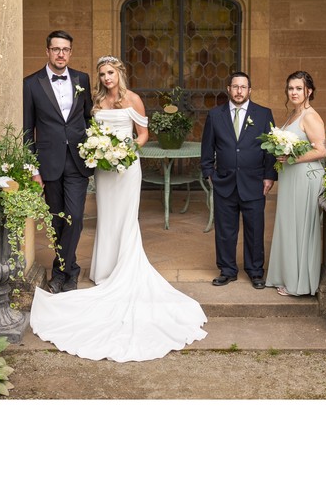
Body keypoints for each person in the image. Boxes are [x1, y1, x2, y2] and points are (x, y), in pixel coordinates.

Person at [30, 56, 207, 361]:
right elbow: (87, 130)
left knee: (125, 218)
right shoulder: (96, 99)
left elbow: (143, 135)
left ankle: (123, 268)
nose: (106, 77)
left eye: (110, 72)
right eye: (102, 73)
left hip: (125, 168)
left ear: (119, 73)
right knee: (106, 217)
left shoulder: (133, 99)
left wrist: (123, 152)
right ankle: (105, 268)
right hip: (103, 168)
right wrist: (101, 152)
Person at [21, 30, 94, 293]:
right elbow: (27, 130)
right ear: (47, 51)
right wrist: (32, 168)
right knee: (56, 220)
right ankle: (69, 270)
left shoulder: (81, 79)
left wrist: (94, 148)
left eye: (65, 49)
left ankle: (61, 272)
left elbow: (88, 119)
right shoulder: (31, 83)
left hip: (77, 161)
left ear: (70, 52)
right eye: (56, 49)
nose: (61, 54)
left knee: (74, 216)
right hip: (48, 163)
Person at [200, 71, 277, 289]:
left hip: (254, 182)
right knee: (225, 230)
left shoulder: (263, 114)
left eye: (243, 87)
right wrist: (210, 173)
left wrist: (269, 176)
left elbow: (271, 149)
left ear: (250, 90)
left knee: (255, 228)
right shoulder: (215, 115)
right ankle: (227, 270)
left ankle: (255, 271)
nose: (239, 91)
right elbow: (207, 149)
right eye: (235, 87)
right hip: (224, 182)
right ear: (228, 89)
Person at [265, 71, 326, 296]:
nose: (294, 92)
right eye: (291, 88)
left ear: (308, 91)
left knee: (300, 229)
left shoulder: (310, 116)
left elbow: (321, 150)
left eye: (298, 88)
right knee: (289, 226)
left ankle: (300, 284)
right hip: (292, 177)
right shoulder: (293, 114)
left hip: (305, 177)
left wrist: (291, 158)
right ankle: (287, 275)